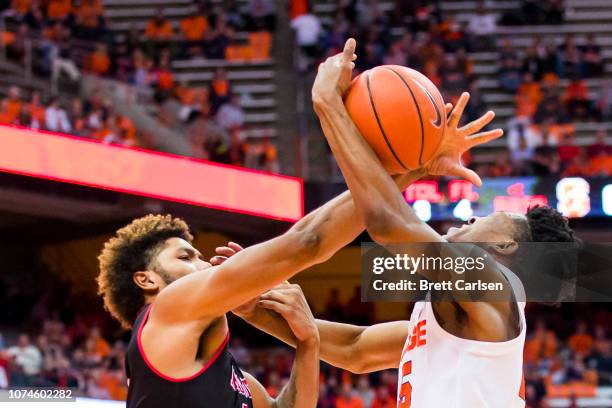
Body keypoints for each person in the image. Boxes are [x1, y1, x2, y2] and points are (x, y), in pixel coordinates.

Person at [234, 39, 579, 408]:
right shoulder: (463, 316)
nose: (471, 216)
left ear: (505, 248)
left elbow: (386, 223)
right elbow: (356, 350)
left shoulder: (492, 285)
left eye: (486, 218)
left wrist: (329, 106)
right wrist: (253, 306)